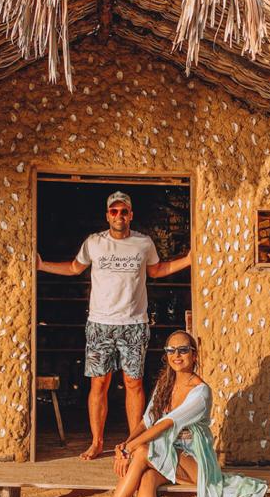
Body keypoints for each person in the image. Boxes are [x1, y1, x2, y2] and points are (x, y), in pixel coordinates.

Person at [73, 330, 268, 497]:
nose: (177, 355)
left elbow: (165, 425)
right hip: (169, 456)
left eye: (183, 350)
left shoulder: (200, 392)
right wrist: (124, 444)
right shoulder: (165, 384)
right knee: (146, 480)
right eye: (171, 351)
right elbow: (146, 421)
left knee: (143, 451)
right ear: (166, 356)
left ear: (195, 355)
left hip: (197, 462)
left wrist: (131, 449)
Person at [37, 191, 191, 460]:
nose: (119, 215)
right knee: (99, 384)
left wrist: (189, 260)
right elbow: (74, 268)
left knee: (134, 383)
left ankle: (134, 442)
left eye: (123, 211)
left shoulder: (143, 243)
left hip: (134, 323)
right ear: (107, 215)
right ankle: (96, 442)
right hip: (100, 324)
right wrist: (41, 266)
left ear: (131, 214)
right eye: (114, 211)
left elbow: (156, 271)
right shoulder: (94, 243)